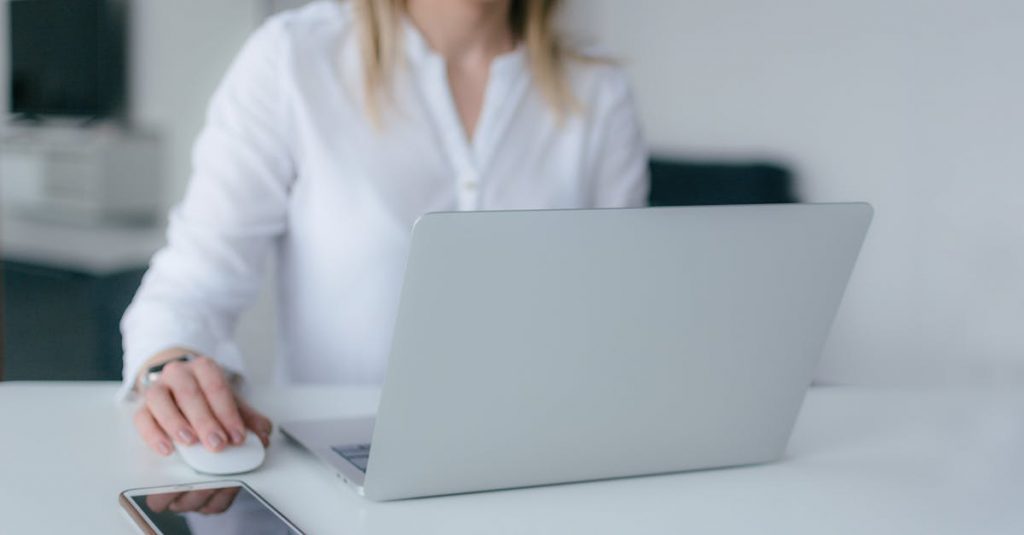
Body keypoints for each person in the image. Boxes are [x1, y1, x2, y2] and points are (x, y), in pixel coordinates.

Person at [121, 0, 648, 456]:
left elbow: (621, 317)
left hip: (544, 457)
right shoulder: (294, 60)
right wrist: (171, 364)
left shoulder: (599, 93)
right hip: (341, 461)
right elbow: (191, 286)